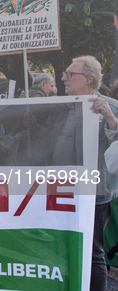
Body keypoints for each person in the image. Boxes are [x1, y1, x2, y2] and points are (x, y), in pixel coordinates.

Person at [57, 56, 118, 291]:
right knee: (69, 246)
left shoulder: (109, 107)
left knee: (92, 252)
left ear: (89, 78)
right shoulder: (68, 105)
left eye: (70, 74)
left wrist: (111, 119)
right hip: (67, 189)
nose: (64, 78)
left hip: (95, 193)